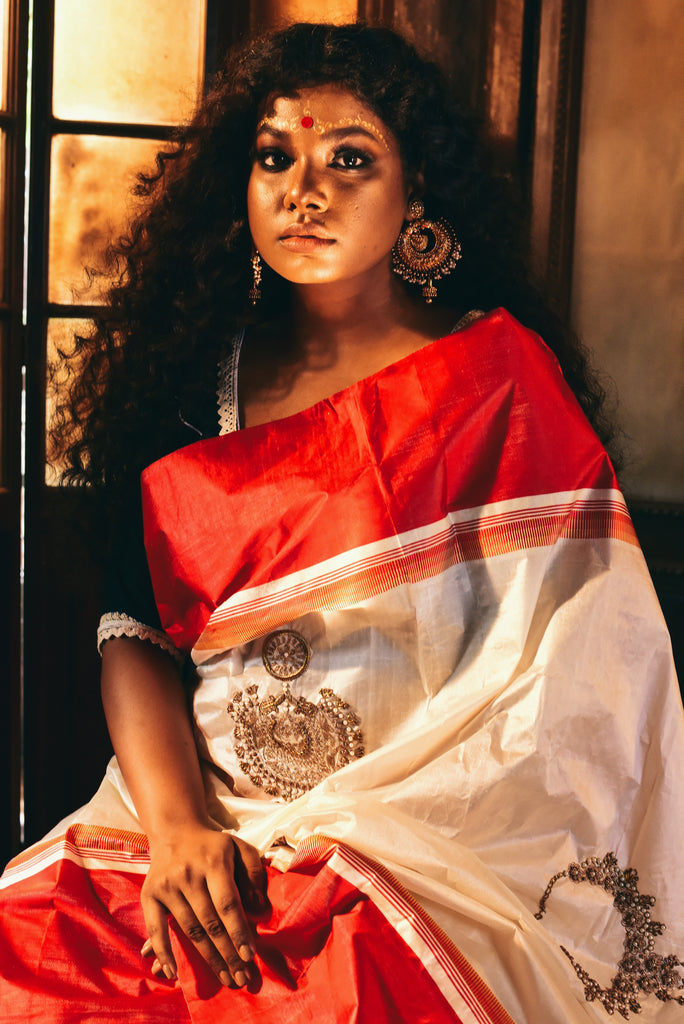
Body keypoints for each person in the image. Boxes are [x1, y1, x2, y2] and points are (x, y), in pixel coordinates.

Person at [1, 21, 683, 1024]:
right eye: (275, 156)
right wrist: (183, 828)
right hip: (205, 808)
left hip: (428, 835)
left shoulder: (497, 385)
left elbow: (572, 673)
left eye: (348, 161)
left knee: (353, 987)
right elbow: (135, 631)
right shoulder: (196, 384)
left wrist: (371, 836)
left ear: (418, 199)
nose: (301, 190)